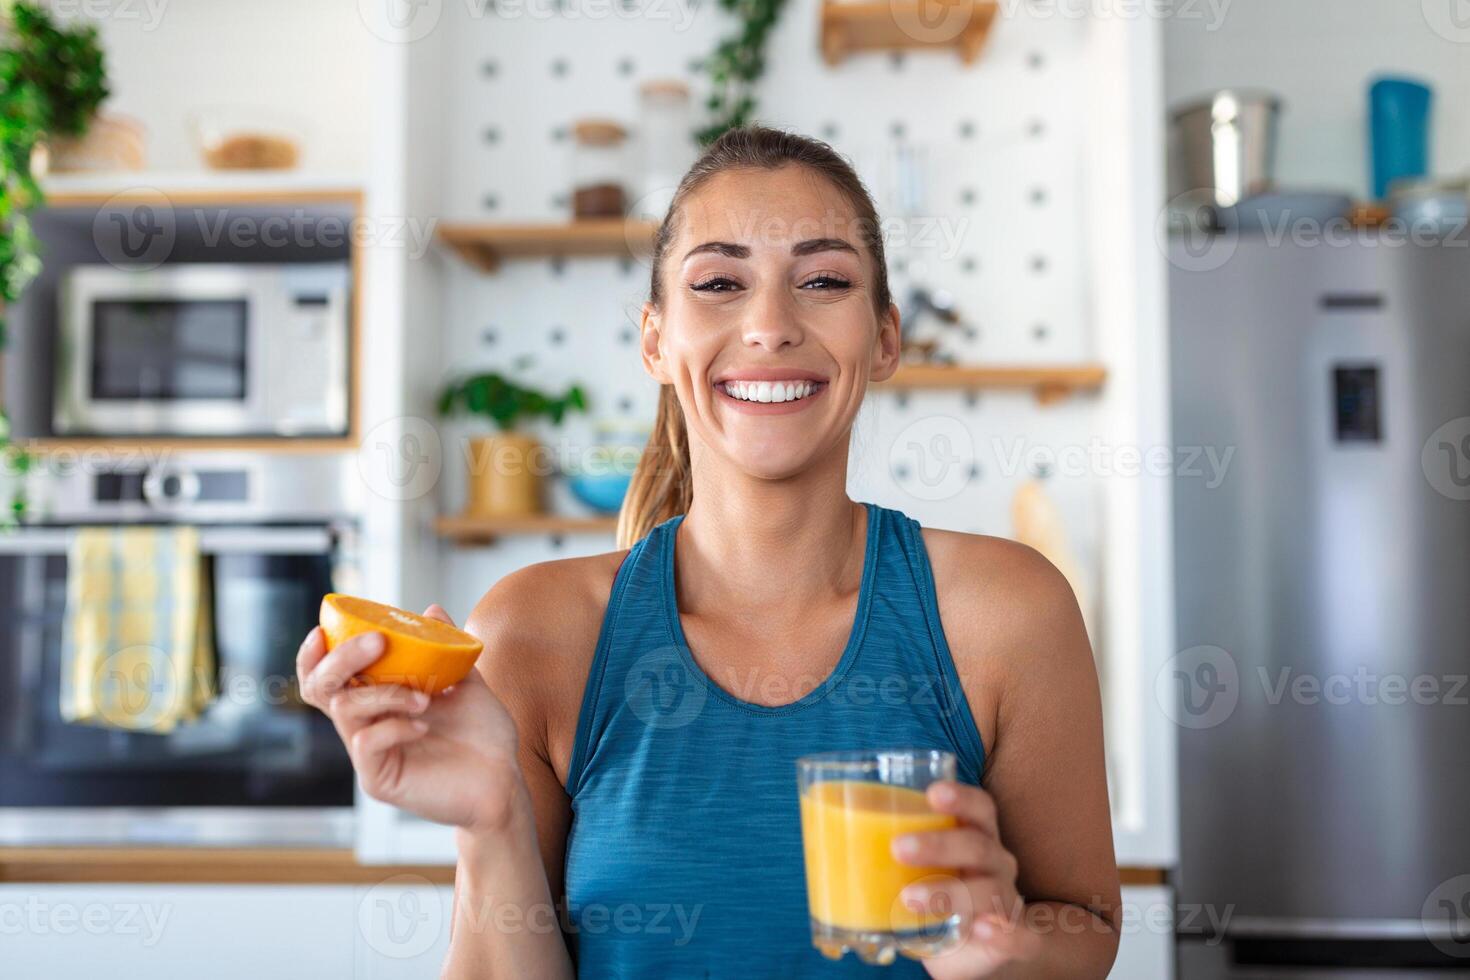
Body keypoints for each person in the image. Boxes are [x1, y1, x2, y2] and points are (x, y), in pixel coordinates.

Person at [297, 126, 1120, 978]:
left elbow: (1086, 924)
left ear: (884, 339)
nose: (769, 325)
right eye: (721, 283)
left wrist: (1008, 950)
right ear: (656, 340)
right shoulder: (533, 633)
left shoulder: (1007, 612)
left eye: (824, 280)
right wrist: (492, 819)